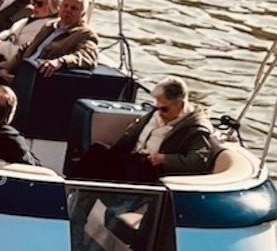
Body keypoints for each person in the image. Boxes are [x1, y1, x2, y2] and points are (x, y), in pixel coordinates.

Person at [68, 75, 215, 182]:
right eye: (156, 107)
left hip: (147, 170)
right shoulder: (157, 112)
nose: (159, 112)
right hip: (130, 159)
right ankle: (70, 191)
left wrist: (165, 159)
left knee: (97, 170)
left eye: (164, 109)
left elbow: (198, 162)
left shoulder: (195, 129)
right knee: (96, 152)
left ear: (181, 105)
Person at [0, 0, 98, 82]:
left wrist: (60, 62)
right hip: (22, 70)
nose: (68, 10)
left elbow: (87, 56)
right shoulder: (49, 25)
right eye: (65, 6)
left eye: (74, 8)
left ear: (82, 13)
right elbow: (28, 47)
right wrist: (7, 68)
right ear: (60, 7)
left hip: (40, 79)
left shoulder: (85, 34)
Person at [0, 0, 59, 66]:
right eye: (34, 2)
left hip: (12, 64)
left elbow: (26, 53)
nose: (34, 6)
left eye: (39, 4)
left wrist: (0, 46)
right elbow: (10, 32)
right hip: (1, 54)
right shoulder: (29, 19)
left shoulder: (46, 28)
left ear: (51, 8)